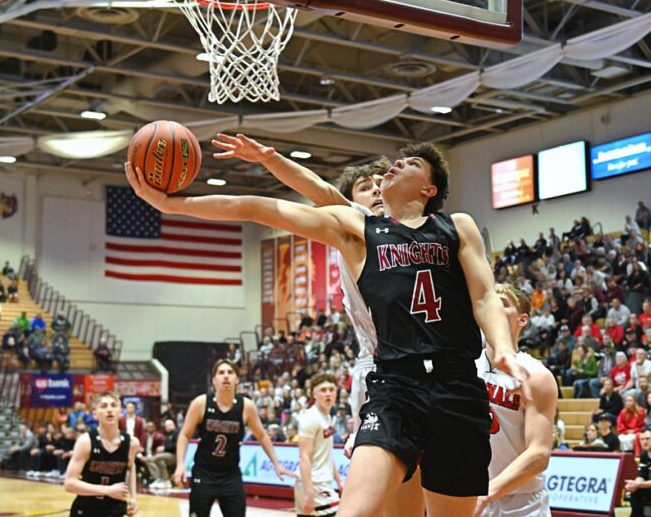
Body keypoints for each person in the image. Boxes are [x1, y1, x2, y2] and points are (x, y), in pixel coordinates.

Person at [129, 140, 530, 517]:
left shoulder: (456, 226)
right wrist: (173, 205)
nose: (395, 166)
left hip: (456, 383)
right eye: (380, 174)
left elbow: (483, 297)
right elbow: (257, 207)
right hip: (393, 381)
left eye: (411, 163)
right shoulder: (359, 228)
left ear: (429, 188)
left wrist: (502, 350)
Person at [213, 133, 425, 516]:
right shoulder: (356, 226)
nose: (376, 190)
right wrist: (271, 160)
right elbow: (322, 190)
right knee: (380, 504)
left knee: (421, 499)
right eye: (364, 187)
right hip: (385, 374)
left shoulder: (424, 232)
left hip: (435, 372)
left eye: (381, 183)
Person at [475, 283, 557, 517]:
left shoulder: (536, 375)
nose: (494, 310)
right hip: (471, 495)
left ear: (522, 320)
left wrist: (488, 493)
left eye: (502, 303)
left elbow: (539, 455)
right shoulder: (464, 367)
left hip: (522, 504)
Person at [173, 359, 294, 517]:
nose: (226, 376)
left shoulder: (247, 406)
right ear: (214, 380)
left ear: (237, 379)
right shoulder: (201, 403)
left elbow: (262, 436)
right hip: (204, 474)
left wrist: (276, 463)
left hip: (230, 475)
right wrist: (180, 464)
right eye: (221, 373)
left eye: (230, 373)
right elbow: (184, 435)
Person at [64, 391, 140, 517]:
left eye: (114, 405)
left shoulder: (132, 443)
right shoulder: (86, 441)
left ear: (120, 412)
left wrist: (133, 497)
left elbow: (131, 467)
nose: (109, 410)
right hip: (86, 509)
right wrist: (108, 490)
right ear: (95, 414)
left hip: (115, 509)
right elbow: (70, 484)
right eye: (104, 406)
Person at [296, 373, 345, 517]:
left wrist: (339, 481)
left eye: (331, 389)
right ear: (313, 394)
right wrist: (309, 491)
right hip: (314, 484)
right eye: (323, 390)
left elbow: (327, 455)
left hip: (319, 483)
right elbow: (304, 456)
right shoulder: (310, 418)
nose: (328, 394)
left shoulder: (327, 416)